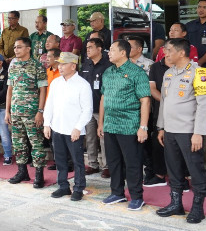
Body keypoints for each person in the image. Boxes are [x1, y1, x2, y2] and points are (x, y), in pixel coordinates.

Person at [156, 38, 206, 224]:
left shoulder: (199, 73)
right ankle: (176, 204)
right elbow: (164, 101)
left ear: (181, 53)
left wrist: (199, 133)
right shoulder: (169, 73)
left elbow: (204, 105)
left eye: (169, 50)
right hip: (170, 130)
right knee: (173, 168)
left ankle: (198, 208)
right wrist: (161, 127)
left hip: (189, 131)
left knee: (195, 169)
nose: (166, 53)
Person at [98, 39, 151, 211]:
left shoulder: (137, 73)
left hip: (129, 125)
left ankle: (136, 196)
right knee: (113, 161)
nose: (109, 53)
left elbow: (145, 100)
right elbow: (103, 98)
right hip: (110, 124)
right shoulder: (108, 72)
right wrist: (101, 123)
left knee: (132, 162)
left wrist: (143, 127)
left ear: (123, 53)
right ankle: (117, 192)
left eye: (112, 50)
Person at [44, 52, 93, 201]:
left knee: (77, 161)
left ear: (73, 66)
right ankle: (63, 186)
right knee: (59, 160)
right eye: (60, 63)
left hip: (74, 130)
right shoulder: (56, 82)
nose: (60, 66)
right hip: (57, 127)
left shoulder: (82, 84)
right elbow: (49, 104)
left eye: (64, 64)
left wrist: (78, 127)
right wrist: (47, 124)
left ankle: (78, 188)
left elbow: (87, 109)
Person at [6, 37, 48, 187]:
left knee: (36, 143)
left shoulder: (37, 66)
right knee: (18, 144)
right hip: (16, 111)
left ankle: (39, 175)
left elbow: (43, 89)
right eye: (15, 47)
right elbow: (10, 89)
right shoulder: (13, 65)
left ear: (28, 48)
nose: (16, 50)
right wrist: (7, 111)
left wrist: (40, 111)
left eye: (19, 47)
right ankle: (22, 171)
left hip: (32, 112)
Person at [80, 37, 111, 176]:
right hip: (88, 108)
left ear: (99, 49)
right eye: (87, 47)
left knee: (103, 137)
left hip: (102, 108)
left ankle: (107, 165)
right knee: (90, 137)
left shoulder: (108, 65)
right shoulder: (86, 65)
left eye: (91, 47)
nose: (87, 50)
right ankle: (92, 163)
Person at [145, 57, 169, 187]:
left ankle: (183, 177)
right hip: (159, 111)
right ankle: (159, 175)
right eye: (166, 50)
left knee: (180, 145)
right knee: (158, 143)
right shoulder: (155, 67)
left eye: (170, 50)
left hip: (181, 114)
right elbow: (152, 88)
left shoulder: (190, 69)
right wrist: (168, 103)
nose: (167, 53)